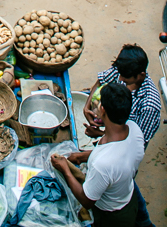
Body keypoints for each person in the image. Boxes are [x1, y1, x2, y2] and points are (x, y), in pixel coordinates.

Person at [85, 45, 162, 227]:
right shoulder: (124, 68)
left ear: (141, 75)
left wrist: (102, 134)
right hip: (110, 140)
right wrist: (87, 106)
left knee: (121, 184)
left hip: (125, 153)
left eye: (125, 79)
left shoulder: (149, 105)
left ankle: (142, 220)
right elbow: (100, 81)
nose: (120, 79)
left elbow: (134, 144)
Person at [52, 82, 145, 226]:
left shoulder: (102, 165)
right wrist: (80, 156)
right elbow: (114, 152)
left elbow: (86, 200)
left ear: (103, 110)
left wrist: (65, 168)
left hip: (112, 216)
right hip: (128, 196)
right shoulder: (135, 130)